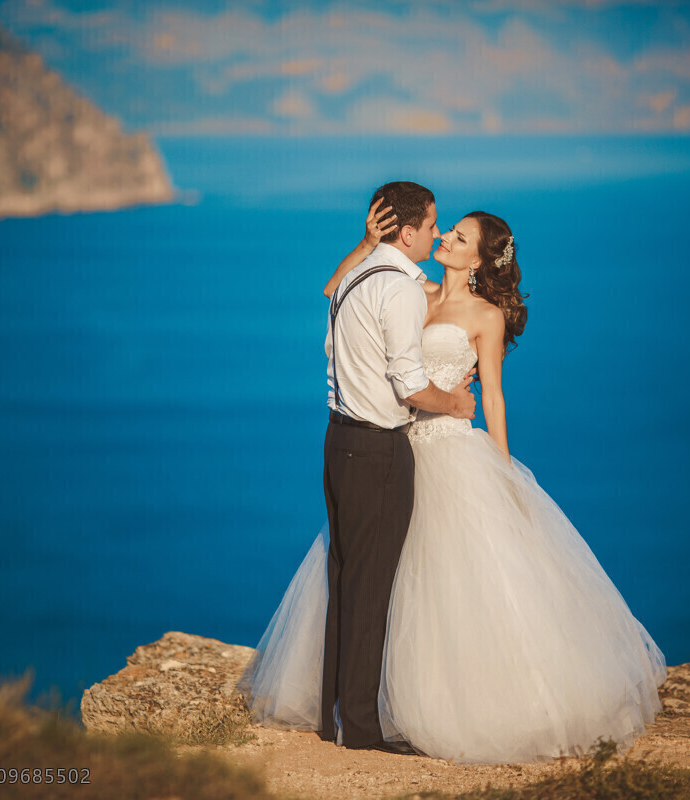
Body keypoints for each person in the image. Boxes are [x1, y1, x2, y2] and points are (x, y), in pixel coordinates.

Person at [237, 195, 667, 764]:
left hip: (452, 457)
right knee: (383, 580)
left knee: (450, 587)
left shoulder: (485, 317)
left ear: (481, 262)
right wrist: (367, 243)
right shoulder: (413, 290)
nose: (445, 240)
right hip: (399, 446)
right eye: (447, 231)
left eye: (459, 238)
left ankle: (449, 710)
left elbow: (491, 396)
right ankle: (374, 705)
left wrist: (504, 469)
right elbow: (334, 291)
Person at [306, 181, 476, 753]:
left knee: (344, 580)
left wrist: (361, 243)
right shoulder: (401, 291)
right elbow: (410, 386)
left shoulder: (353, 276)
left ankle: (332, 717)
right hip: (378, 449)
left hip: (336, 444)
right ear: (406, 231)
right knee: (372, 588)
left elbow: (328, 315)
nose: (437, 233)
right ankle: (360, 729)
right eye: (432, 225)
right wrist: (455, 402)